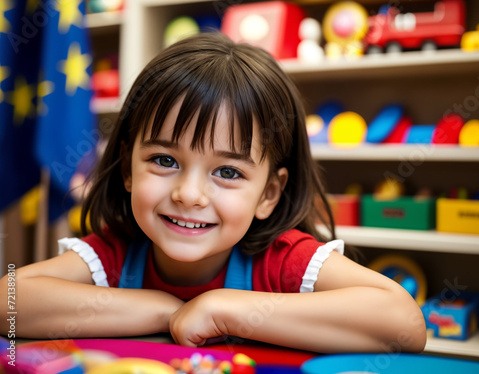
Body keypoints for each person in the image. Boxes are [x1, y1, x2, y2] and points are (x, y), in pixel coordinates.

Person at [0, 33, 426, 353]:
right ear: (128, 167)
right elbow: (10, 302)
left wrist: (222, 307)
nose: (189, 194)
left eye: (227, 171)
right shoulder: (118, 251)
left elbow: (405, 324)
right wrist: (167, 310)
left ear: (268, 193)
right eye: (165, 161)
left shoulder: (282, 260)